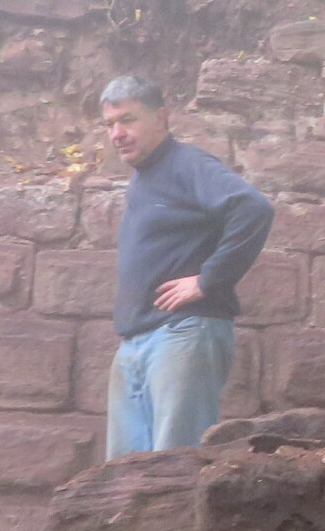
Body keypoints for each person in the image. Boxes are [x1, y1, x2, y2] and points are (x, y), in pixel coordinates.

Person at [97, 73, 275, 458]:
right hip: (135, 341)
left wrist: (208, 280)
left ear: (161, 118)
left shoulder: (188, 164)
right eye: (109, 124)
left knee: (173, 466)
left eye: (128, 120)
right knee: (122, 475)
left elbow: (253, 208)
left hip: (182, 332)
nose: (117, 134)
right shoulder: (143, 180)